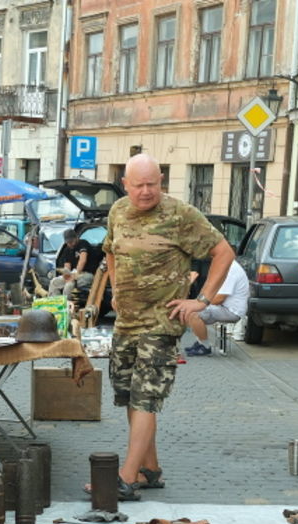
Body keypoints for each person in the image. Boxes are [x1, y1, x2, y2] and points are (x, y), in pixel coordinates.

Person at [100, 153, 236, 499]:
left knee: (146, 397)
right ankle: (150, 470)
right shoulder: (117, 211)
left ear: (161, 180)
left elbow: (224, 253)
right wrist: (114, 290)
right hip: (127, 322)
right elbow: (110, 251)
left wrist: (202, 300)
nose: (146, 192)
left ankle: (126, 479)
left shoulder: (181, 215)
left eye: (153, 184)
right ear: (125, 184)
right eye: (139, 185)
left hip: (162, 322)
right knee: (130, 395)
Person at [179, 262, 250, 357]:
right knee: (190, 312)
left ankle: (205, 347)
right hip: (224, 307)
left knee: (193, 313)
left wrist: (198, 302)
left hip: (231, 311)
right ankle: (200, 342)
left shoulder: (230, 270)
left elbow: (219, 299)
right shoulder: (226, 266)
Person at [51, 228, 102, 300]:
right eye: (68, 242)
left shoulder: (83, 244)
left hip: (86, 274)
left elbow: (82, 260)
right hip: (73, 274)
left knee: (69, 285)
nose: (70, 244)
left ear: (76, 238)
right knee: (54, 282)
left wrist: (75, 274)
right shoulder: (67, 249)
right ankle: (55, 304)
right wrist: (66, 274)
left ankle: (66, 307)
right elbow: (67, 266)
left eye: (71, 241)